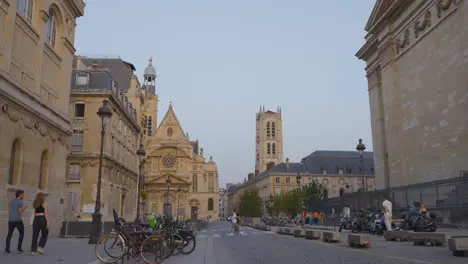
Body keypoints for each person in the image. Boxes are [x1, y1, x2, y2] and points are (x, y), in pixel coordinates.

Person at [5, 190, 26, 254]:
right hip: (17, 220)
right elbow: (19, 212)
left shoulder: (11, 202)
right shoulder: (20, 201)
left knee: (9, 235)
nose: (24, 195)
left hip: (11, 220)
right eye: (23, 194)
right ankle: (19, 249)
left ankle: (7, 249)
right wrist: (25, 208)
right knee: (22, 233)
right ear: (20, 195)